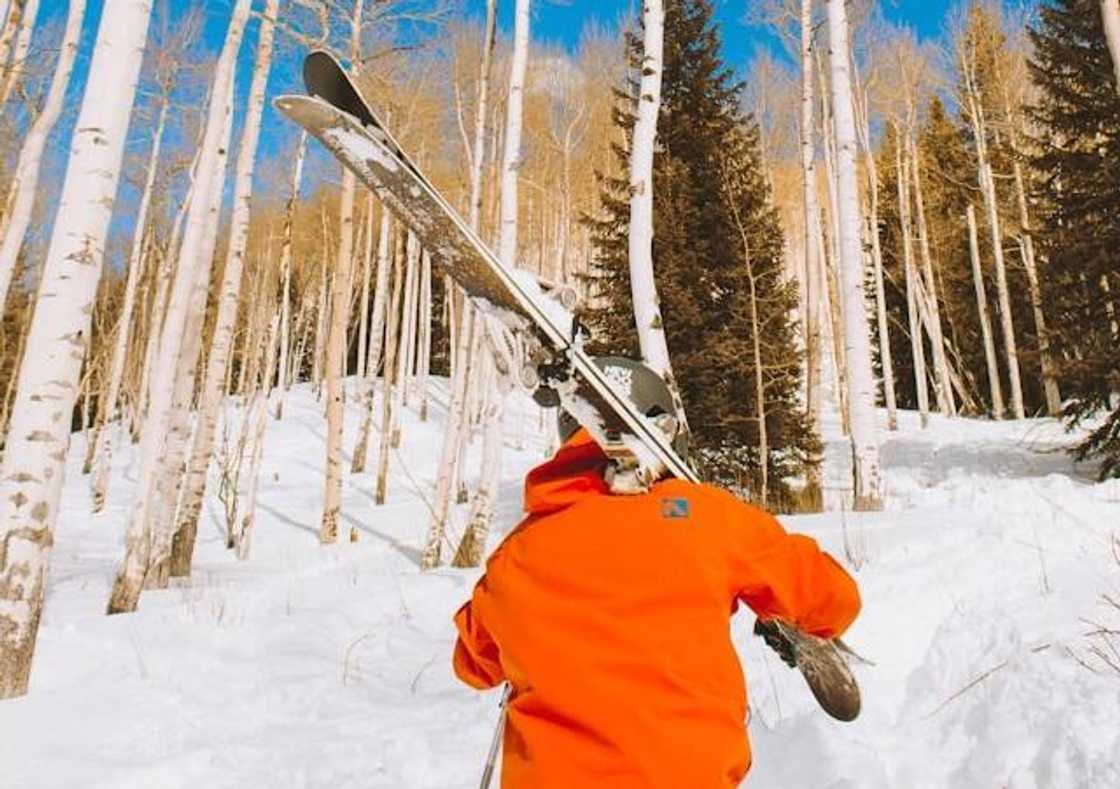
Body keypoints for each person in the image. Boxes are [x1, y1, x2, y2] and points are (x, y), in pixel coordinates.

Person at [452, 357, 861, 788]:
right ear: (665, 430)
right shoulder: (705, 518)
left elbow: (472, 664)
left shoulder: (516, 553)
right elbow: (834, 599)